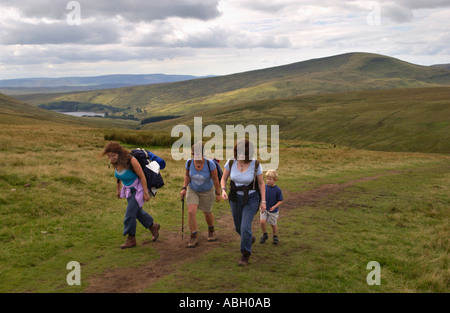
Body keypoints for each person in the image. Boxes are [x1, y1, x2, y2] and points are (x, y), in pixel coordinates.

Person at [101, 142, 160, 249]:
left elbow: (142, 176)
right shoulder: (115, 162)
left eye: (113, 155)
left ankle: (131, 238)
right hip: (128, 189)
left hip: (138, 189)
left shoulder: (130, 160)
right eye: (109, 156)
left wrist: (146, 193)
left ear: (119, 153)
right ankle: (153, 226)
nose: (111, 158)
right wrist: (118, 189)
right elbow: (118, 175)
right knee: (137, 212)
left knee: (129, 214)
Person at [221, 139, 266, 266]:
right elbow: (223, 178)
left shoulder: (256, 164)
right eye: (238, 153)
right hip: (235, 198)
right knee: (238, 227)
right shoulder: (230, 162)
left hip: (251, 198)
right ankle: (249, 239)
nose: (241, 156)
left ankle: (245, 255)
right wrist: (223, 190)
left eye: (244, 153)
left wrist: (263, 201)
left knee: (245, 227)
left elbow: (262, 183)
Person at [180, 143, 221, 248]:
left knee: (207, 213)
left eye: (198, 154)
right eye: (194, 154)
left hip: (207, 190)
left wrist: (218, 193)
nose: (196, 156)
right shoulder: (189, 163)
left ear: (203, 153)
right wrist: (184, 188)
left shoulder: (210, 164)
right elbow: (187, 176)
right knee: (191, 211)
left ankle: (211, 229)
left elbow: (215, 179)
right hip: (193, 189)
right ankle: (193, 235)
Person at [260, 170, 283, 245]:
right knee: (262, 221)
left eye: (270, 179)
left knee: (273, 224)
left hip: (273, 211)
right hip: (264, 208)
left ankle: (275, 236)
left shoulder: (277, 190)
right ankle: (265, 234)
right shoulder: (264, 187)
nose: (268, 181)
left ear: (275, 180)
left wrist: (274, 207)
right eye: (267, 179)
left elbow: (280, 200)